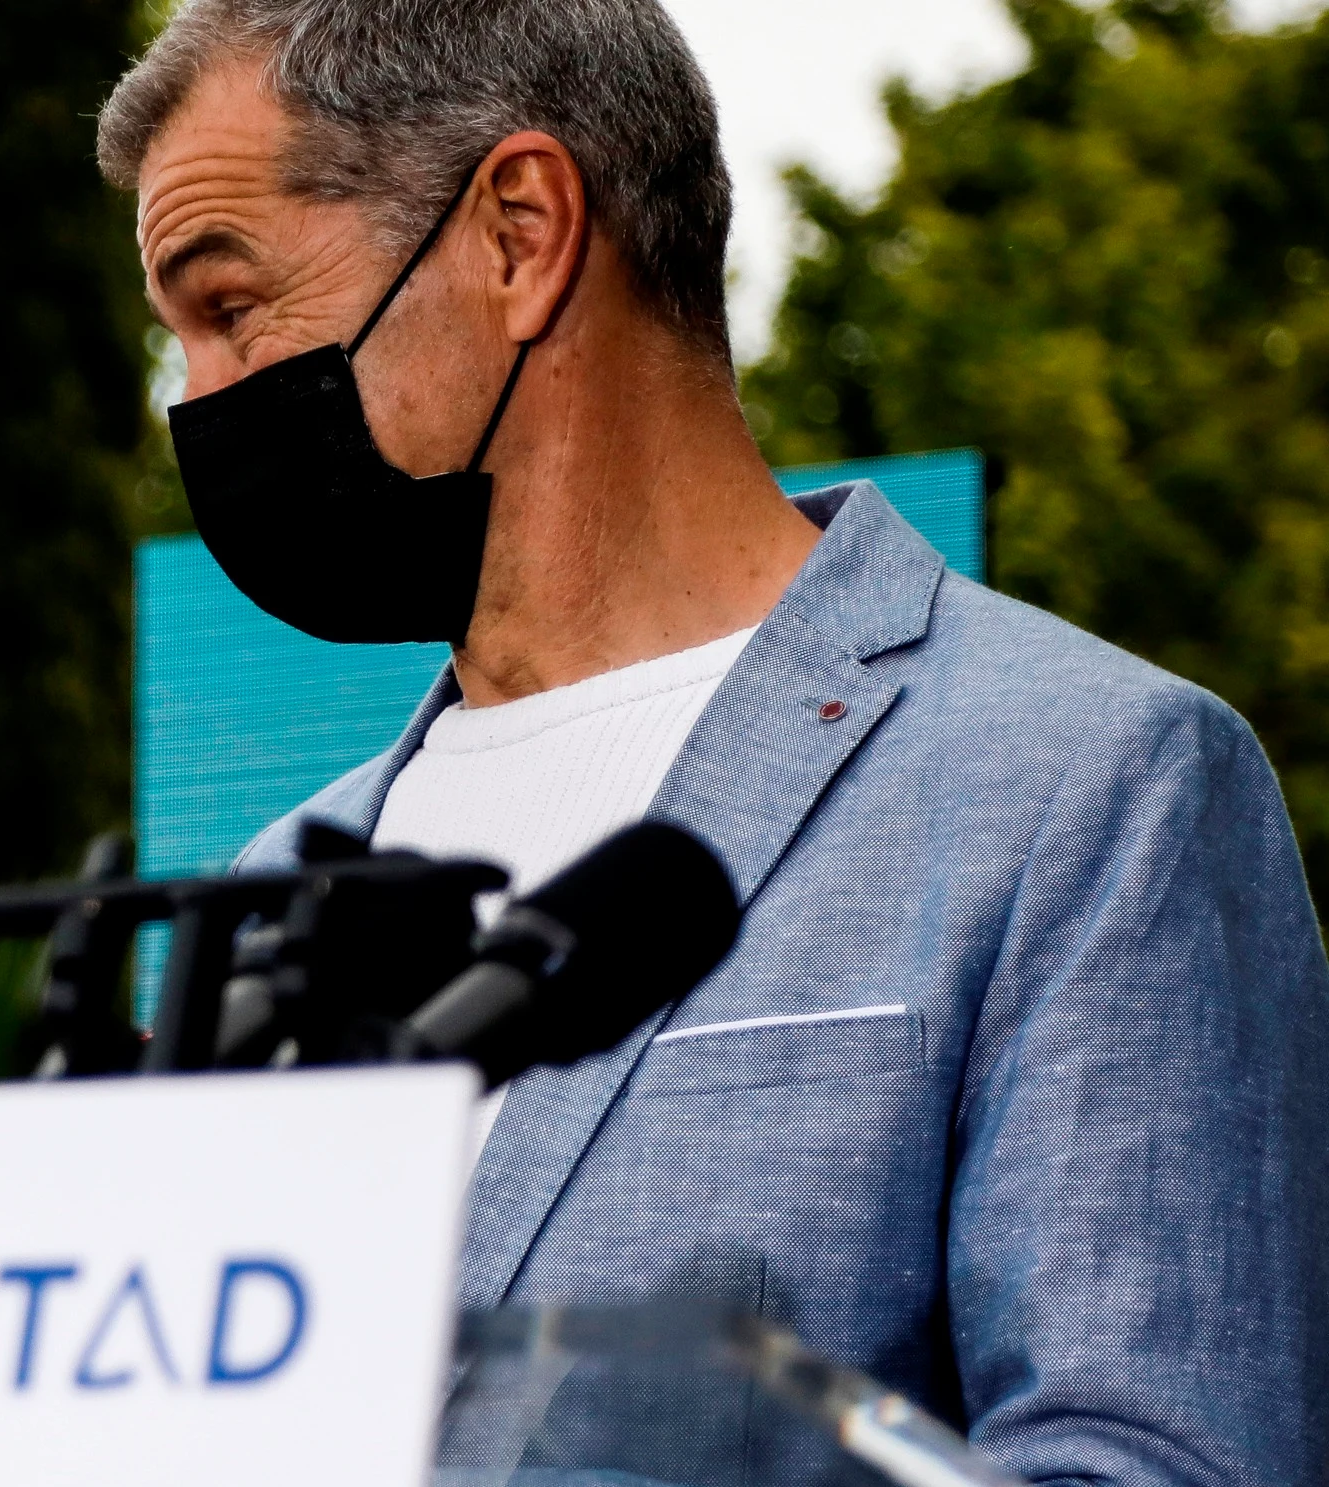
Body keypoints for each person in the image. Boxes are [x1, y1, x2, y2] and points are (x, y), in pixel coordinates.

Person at [99, 2, 1327, 1483]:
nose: (197, 404)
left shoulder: (1094, 784)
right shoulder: (281, 872)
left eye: (226, 307)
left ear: (517, 232)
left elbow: (1159, 1458)